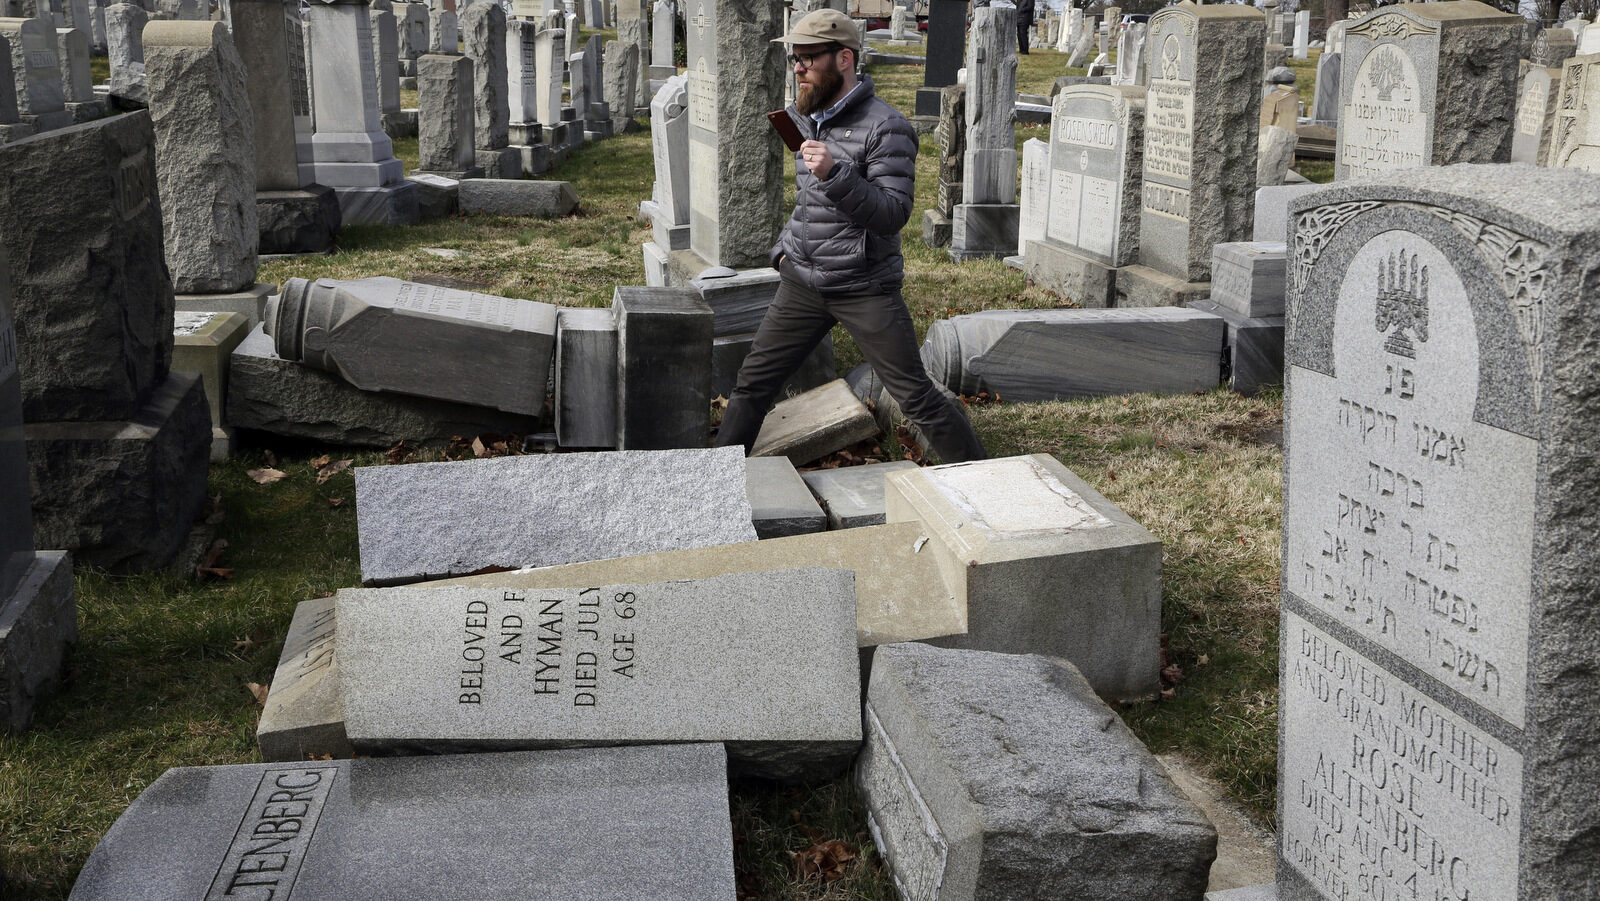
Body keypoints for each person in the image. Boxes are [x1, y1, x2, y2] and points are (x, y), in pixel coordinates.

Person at [713, 9, 987, 464]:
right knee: (753, 384)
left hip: (864, 287)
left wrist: (837, 173)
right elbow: (807, 201)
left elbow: (892, 214)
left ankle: (985, 478)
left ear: (843, 58)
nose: (797, 68)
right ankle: (712, 480)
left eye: (807, 59)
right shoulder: (811, 118)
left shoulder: (887, 127)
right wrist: (784, 250)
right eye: (793, 59)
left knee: (914, 396)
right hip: (803, 282)